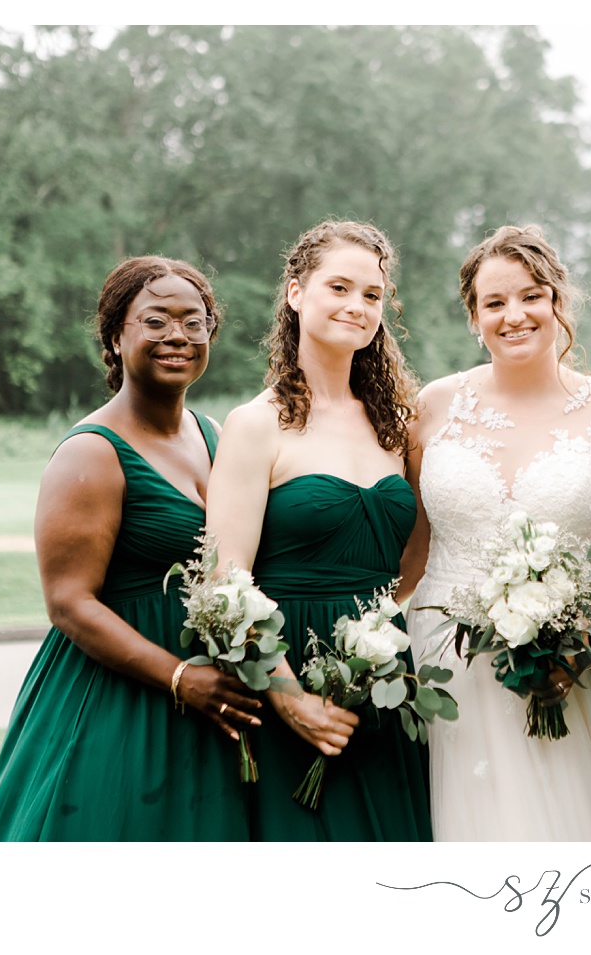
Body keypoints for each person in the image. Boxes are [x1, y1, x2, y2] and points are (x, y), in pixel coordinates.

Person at [0, 257, 261, 841]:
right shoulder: (91, 453)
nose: (177, 335)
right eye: (155, 321)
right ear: (114, 336)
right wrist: (181, 677)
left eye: (194, 321)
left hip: (212, 701)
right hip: (117, 697)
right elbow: (69, 602)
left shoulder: (215, 436)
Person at [397, 224, 591, 842]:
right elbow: (413, 549)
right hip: (443, 657)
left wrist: (577, 645)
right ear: (473, 316)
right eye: (495, 302)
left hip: (570, 664)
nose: (515, 315)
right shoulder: (433, 406)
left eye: (532, 295)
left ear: (558, 301)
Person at [204, 219, 430, 841]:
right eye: (339, 287)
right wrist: (286, 694)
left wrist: (377, 639)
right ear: (296, 293)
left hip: (382, 677)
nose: (357, 306)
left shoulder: (397, 426)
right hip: (288, 673)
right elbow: (225, 579)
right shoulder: (257, 424)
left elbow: (413, 559)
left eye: (372, 295)